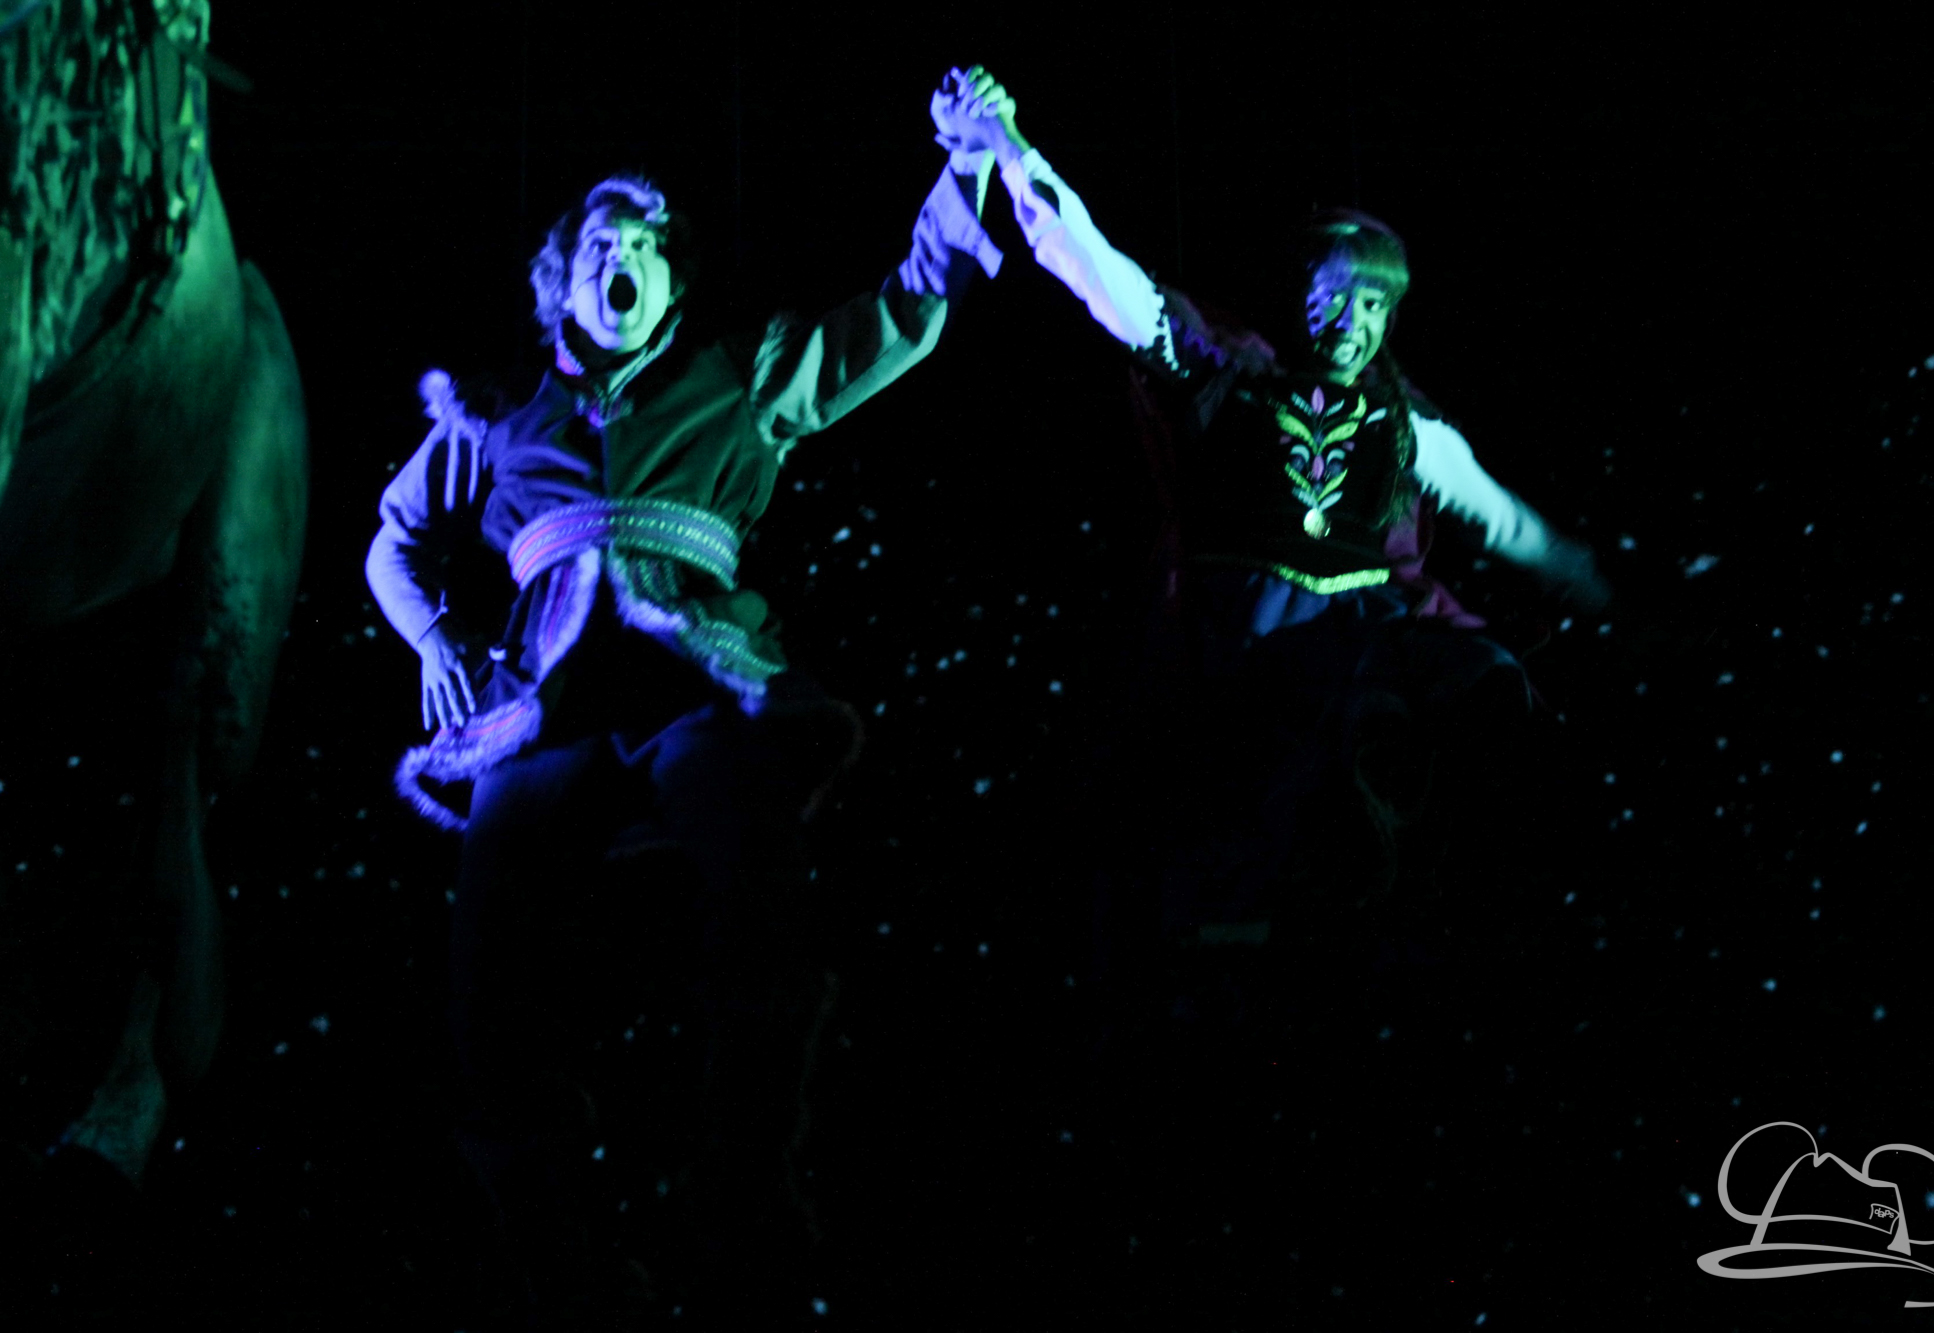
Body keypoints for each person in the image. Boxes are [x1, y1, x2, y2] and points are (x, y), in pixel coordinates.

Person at [364, 122, 1003, 1325]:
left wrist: (963, 165)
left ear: (671, 278)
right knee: (485, 974)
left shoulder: (738, 377)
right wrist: (439, 642)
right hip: (546, 711)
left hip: (695, 684)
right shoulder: (501, 415)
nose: (623, 258)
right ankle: (562, 1261)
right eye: (599, 245)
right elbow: (394, 539)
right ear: (562, 281)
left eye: (645, 246)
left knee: (760, 894)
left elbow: (899, 316)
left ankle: (743, 1205)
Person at [931, 68, 1609, 954]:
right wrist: (1011, 146)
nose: (1352, 320)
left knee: (1481, 688)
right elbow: (1093, 264)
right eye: (1333, 295)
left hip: (1358, 637)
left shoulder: (1409, 426)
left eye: (1373, 303)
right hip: (1241, 640)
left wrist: (1599, 581)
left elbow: (1508, 522)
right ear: (1298, 295)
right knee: (1232, 821)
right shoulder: (1222, 374)